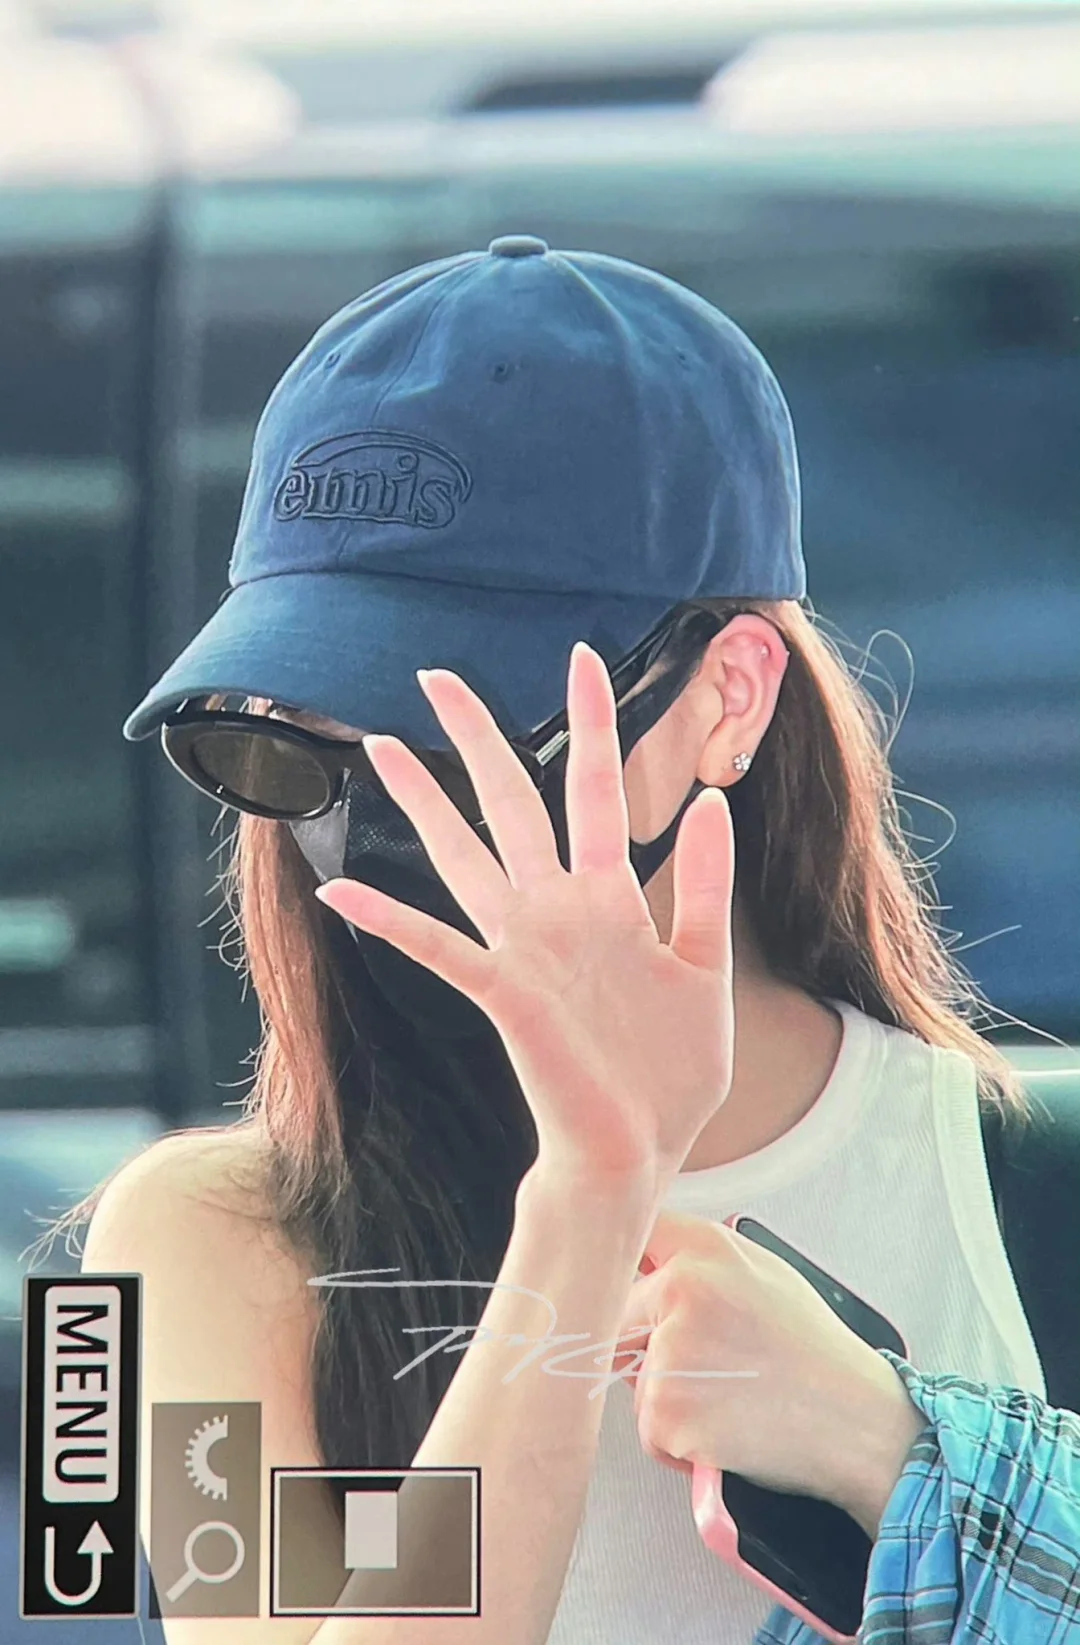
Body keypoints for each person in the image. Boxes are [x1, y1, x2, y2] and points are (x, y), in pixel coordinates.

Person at [69, 236, 1076, 1644]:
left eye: (462, 739)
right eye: (289, 745)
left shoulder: (1034, 1187)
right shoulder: (169, 1246)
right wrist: (592, 1195)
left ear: (728, 696)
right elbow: (148, 1597)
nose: (377, 817)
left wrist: (889, 1448)